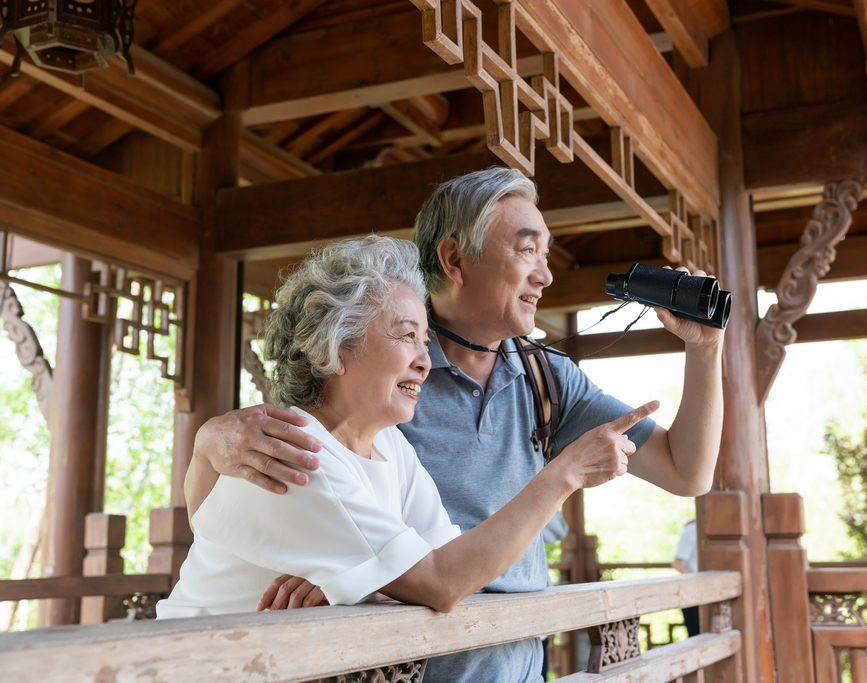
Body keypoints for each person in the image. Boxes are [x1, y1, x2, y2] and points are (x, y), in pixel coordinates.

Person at [184, 167, 725, 682]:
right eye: (527, 248)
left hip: (515, 660)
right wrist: (208, 445)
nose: (546, 272)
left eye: (546, 252)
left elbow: (688, 472)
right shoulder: (378, 383)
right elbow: (253, 490)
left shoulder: (547, 381)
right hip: (398, 669)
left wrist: (705, 352)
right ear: (454, 259)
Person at [158, 236, 651, 619]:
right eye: (406, 336)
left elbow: (450, 560)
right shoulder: (301, 447)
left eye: (425, 339)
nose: (423, 359)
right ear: (337, 348)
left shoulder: (389, 446)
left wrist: (381, 584)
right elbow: (442, 582)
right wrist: (565, 473)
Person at [672, 519, 700, 637]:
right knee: (696, 635)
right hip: (694, 592)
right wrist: (697, 582)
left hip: (710, 590)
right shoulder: (692, 529)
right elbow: (677, 563)